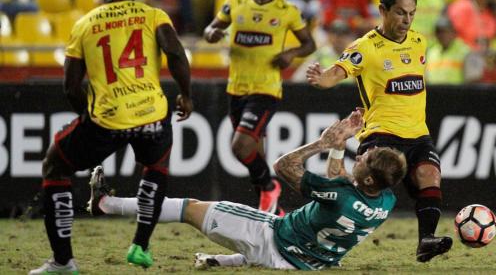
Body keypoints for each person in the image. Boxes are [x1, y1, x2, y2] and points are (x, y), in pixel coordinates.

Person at [86, 110, 408, 270]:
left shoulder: (342, 196)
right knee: (260, 248)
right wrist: (340, 148)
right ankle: (221, 262)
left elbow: (283, 166)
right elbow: (338, 181)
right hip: (310, 261)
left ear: (367, 179)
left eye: (366, 158)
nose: (362, 154)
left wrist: (323, 143)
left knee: (188, 207)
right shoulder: (385, 199)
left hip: (272, 239)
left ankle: (106, 205)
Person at [29, 0, 193, 273]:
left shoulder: (84, 24)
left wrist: (87, 118)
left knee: (55, 166)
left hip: (108, 118)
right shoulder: (153, 15)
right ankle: (140, 246)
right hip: (152, 113)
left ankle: (63, 262)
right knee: (156, 167)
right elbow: (175, 52)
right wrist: (186, 94)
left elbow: (70, 85)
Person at [305, 0, 453, 262]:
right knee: (361, 196)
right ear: (382, 10)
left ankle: (426, 241)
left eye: (411, 13)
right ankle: (317, 235)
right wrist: (320, 78)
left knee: (429, 176)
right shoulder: (365, 47)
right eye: (400, 13)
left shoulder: (419, 42)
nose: (407, 20)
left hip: (418, 134)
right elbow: (336, 73)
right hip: (380, 135)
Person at [203, 0, 316, 215]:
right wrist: (213, 33)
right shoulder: (235, 2)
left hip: (266, 89)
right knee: (255, 153)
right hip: (237, 88)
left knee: (240, 147)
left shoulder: (287, 10)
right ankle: (274, 213)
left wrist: (291, 53)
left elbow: (309, 43)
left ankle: (269, 185)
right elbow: (210, 29)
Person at [426, 16, 484, 84]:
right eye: (439, 32)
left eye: (446, 31)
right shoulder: (431, 53)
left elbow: (474, 79)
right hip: (433, 93)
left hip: (457, 93)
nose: (443, 35)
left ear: (454, 33)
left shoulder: (465, 52)